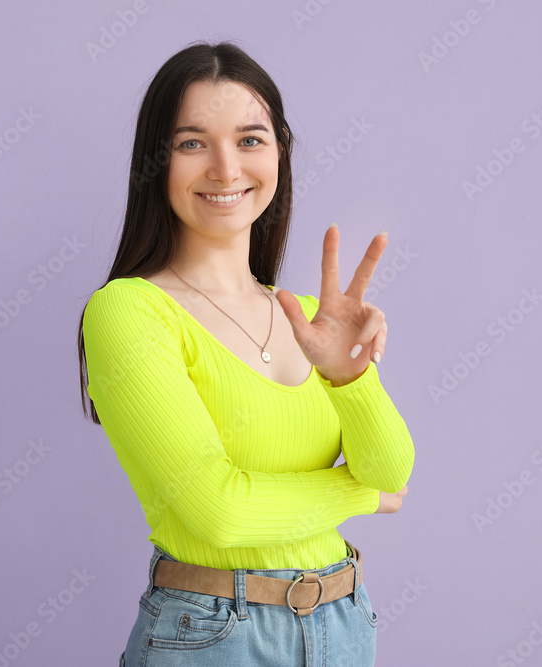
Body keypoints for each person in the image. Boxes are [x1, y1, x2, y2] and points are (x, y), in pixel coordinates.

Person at [77, 40, 414, 666]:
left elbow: (390, 471)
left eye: (251, 140)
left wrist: (349, 378)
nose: (227, 169)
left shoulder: (311, 318)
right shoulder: (130, 311)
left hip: (343, 624)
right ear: (157, 161)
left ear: (280, 152)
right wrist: (359, 498)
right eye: (192, 142)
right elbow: (219, 513)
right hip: (213, 636)